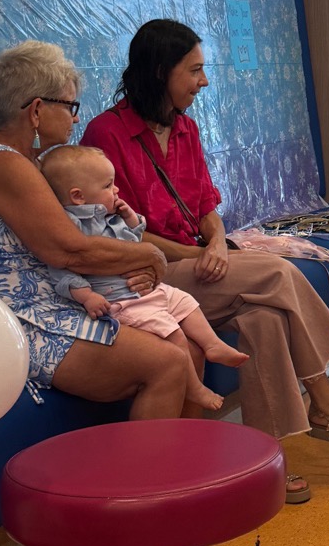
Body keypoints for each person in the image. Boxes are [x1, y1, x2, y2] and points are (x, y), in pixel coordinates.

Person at [0, 40, 213, 546]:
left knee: (178, 334)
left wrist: (136, 261)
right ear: (37, 110)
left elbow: (78, 243)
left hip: (53, 304)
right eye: (70, 106)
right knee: (166, 362)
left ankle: (169, 497)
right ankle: (140, 525)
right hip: (18, 322)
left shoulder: (22, 163)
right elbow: (66, 248)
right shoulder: (5, 166)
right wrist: (147, 254)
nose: (74, 118)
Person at [83, 20, 329, 481]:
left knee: (264, 319)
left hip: (199, 266)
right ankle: (325, 399)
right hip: (149, 277)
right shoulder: (105, 134)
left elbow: (207, 205)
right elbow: (119, 230)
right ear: (161, 71)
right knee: (277, 273)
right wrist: (198, 256)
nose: (204, 82)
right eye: (195, 71)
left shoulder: (185, 129)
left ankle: (268, 465)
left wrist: (219, 243)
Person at [40, 145, 249, 415]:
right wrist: (86, 296)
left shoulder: (109, 217)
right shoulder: (70, 227)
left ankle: (212, 345)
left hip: (146, 291)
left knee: (185, 302)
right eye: (108, 185)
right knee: (173, 333)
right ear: (78, 196)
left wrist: (131, 221)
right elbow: (62, 272)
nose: (116, 191)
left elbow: (132, 243)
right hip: (122, 301)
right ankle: (194, 387)